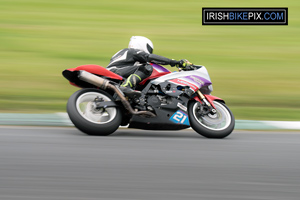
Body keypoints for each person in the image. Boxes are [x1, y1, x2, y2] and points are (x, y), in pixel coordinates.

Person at [106, 36, 192, 96]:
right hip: (115, 72)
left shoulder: (125, 53)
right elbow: (149, 57)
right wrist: (173, 62)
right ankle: (125, 87)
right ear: (142, 44)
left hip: (114, 73)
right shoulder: (132, 51)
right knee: (146, 68)